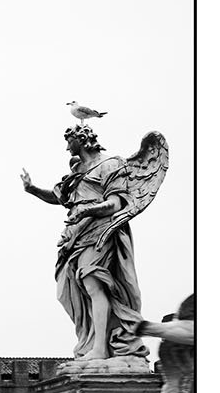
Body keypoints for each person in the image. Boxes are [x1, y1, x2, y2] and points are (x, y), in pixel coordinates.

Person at [21, 124, 167, 366]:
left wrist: (88, 210)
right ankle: (90, 342)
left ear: (81, 139)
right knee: (69, 290)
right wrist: (31, 188)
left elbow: (115, 204)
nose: (67, 147)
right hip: (75, 235)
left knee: (93, 284)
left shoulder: (110, 165)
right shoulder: (78, 171)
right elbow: (59, 197)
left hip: (100, 230)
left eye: (69, 141)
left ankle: (100, 348)